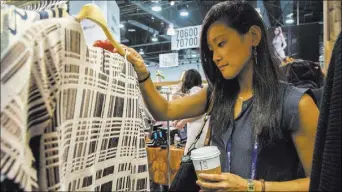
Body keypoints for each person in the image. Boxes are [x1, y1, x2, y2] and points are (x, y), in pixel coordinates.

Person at [94, 1, 319, 191]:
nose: (216, 57)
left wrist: (251, 187)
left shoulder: (295, 104)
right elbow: (165, 110)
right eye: (211, 50)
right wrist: (143, 73)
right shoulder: (218, 96)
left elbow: (320, 181)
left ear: (253, 36)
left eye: (221, 44)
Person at [170, 69, 209, 155]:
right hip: (198, 127)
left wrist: (183, 121)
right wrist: (179, 120)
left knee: (192, 154)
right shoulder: (198, 90)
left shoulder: (195, 90)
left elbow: (198, 113)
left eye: (184, 78)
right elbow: (191, 111)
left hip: (198, 127)